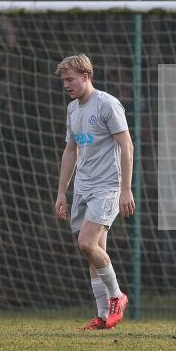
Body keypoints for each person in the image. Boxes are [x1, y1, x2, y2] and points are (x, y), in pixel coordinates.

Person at [54, 54, 134, 331]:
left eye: (70, 79)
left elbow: (127, 145)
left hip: (108, 186)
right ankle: (102, 315)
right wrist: (61, 192)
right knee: (95, 251)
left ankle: (117, 296)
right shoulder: (73, 109)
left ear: (86, 76)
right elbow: (71, 150)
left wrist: (126, 189)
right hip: (84, 188)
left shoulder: (107, 104)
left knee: (86, 243)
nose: (66, 85)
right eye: (64, 80)